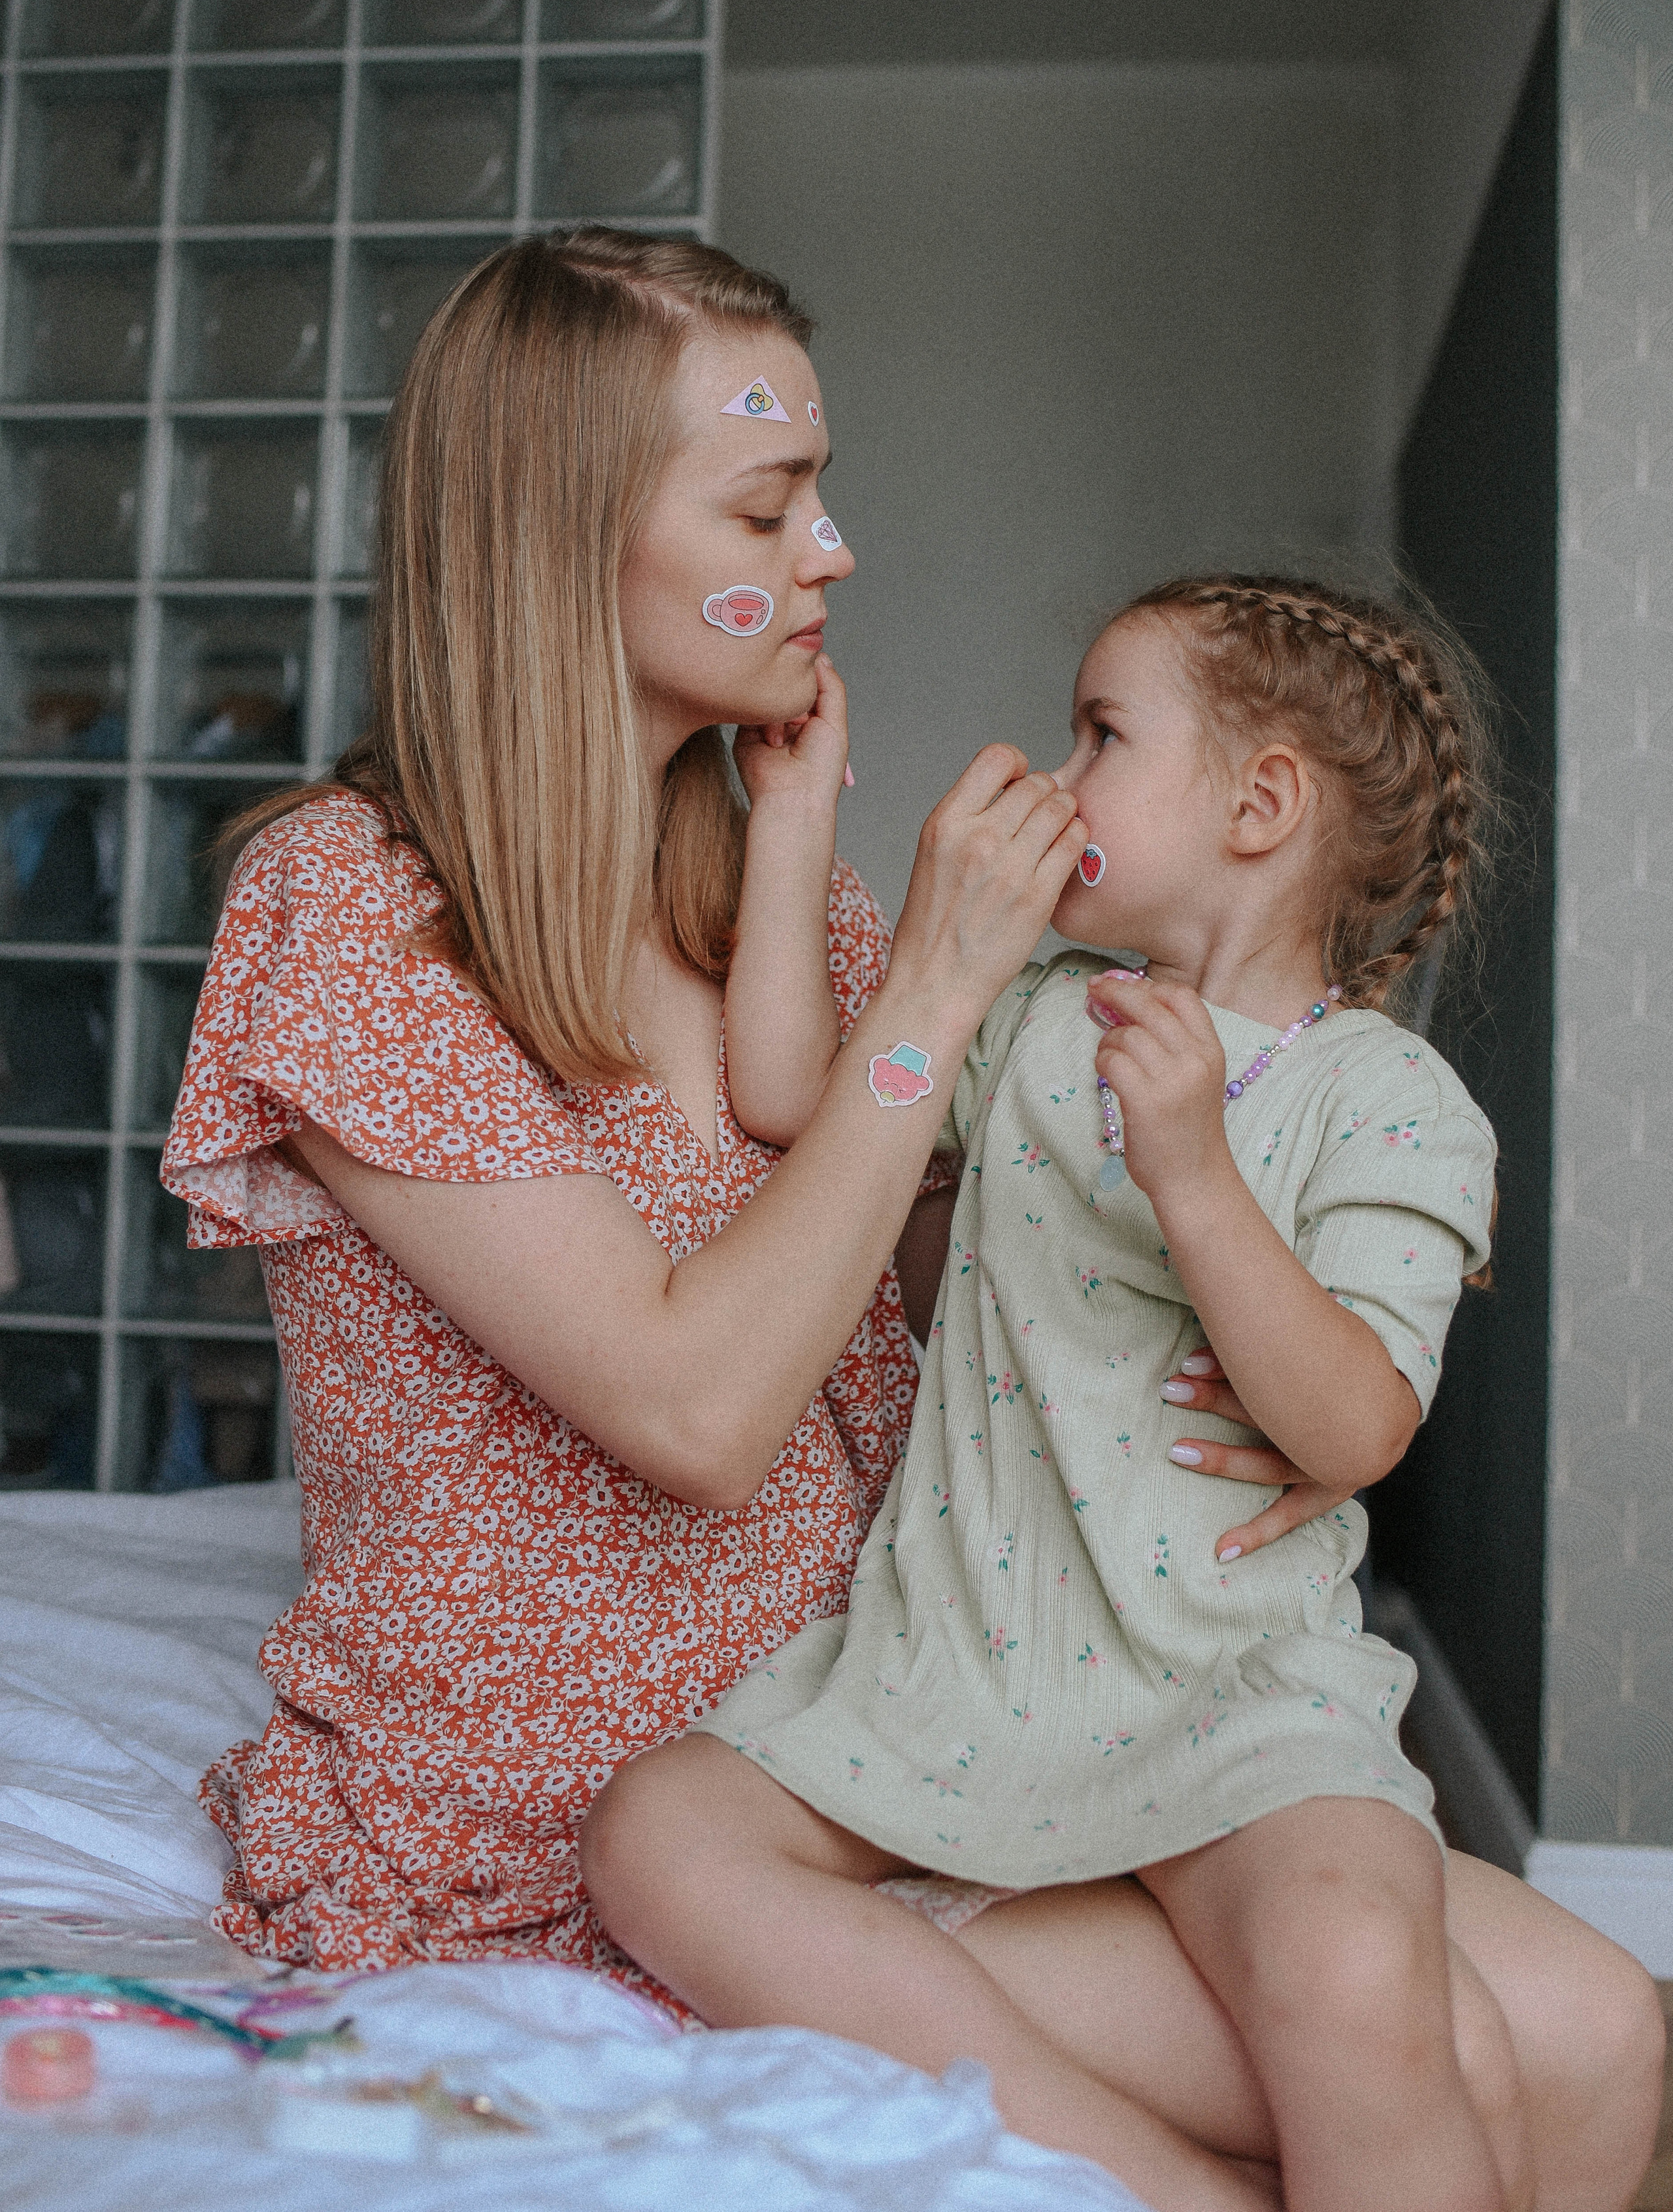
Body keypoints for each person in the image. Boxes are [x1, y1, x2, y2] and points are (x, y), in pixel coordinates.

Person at [159, 233, 1659, 2211]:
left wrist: (1219, 1392)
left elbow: (968, 1274)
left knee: (1621, 2026)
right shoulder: (355, 910)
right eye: (771, 502)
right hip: (620, 1787)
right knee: (1480, 2054)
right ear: (562, 533)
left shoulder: (786, 889)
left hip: (948, 1704)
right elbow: (696, 1408)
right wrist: (941, 997)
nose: (835, 547)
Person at [582, 570, 1664, 2212]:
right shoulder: (1027, 1018)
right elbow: (795, 1092)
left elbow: (1356, 1425)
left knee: (1359, 1968)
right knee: (654, 1835)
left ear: (1261, 803)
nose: (1056, 774)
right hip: (965, 1667)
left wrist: (1197, 1177)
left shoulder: (1386, 1100)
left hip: (1239, 1699)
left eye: (1100, 734)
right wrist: (786, 809)